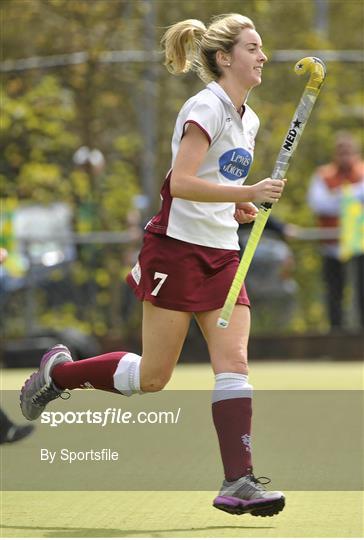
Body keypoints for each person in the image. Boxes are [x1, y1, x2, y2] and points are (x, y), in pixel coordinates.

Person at [20, 14, 286, 517]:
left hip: (224, 255)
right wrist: (246, 191)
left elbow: (208, 184)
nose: (263, 56)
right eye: (253, 47)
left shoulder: (247, 118)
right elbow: (181, 182)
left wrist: (233, 206)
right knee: (153, 377)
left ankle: (238, 481)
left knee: (234, 364)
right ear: (225, 58)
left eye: (261, 47)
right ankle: (61, 375)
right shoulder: (204, 106)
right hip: (177, 251)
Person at [307, 132, 364, 331]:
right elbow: (319, 204)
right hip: (331, 245)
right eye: (341, 152)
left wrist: (336, 197)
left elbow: (331, 202)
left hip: (360, 245)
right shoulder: (323, 175)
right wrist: (353, 196)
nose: (345, 157)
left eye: (349, 152)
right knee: (334, 291)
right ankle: (336, 335)